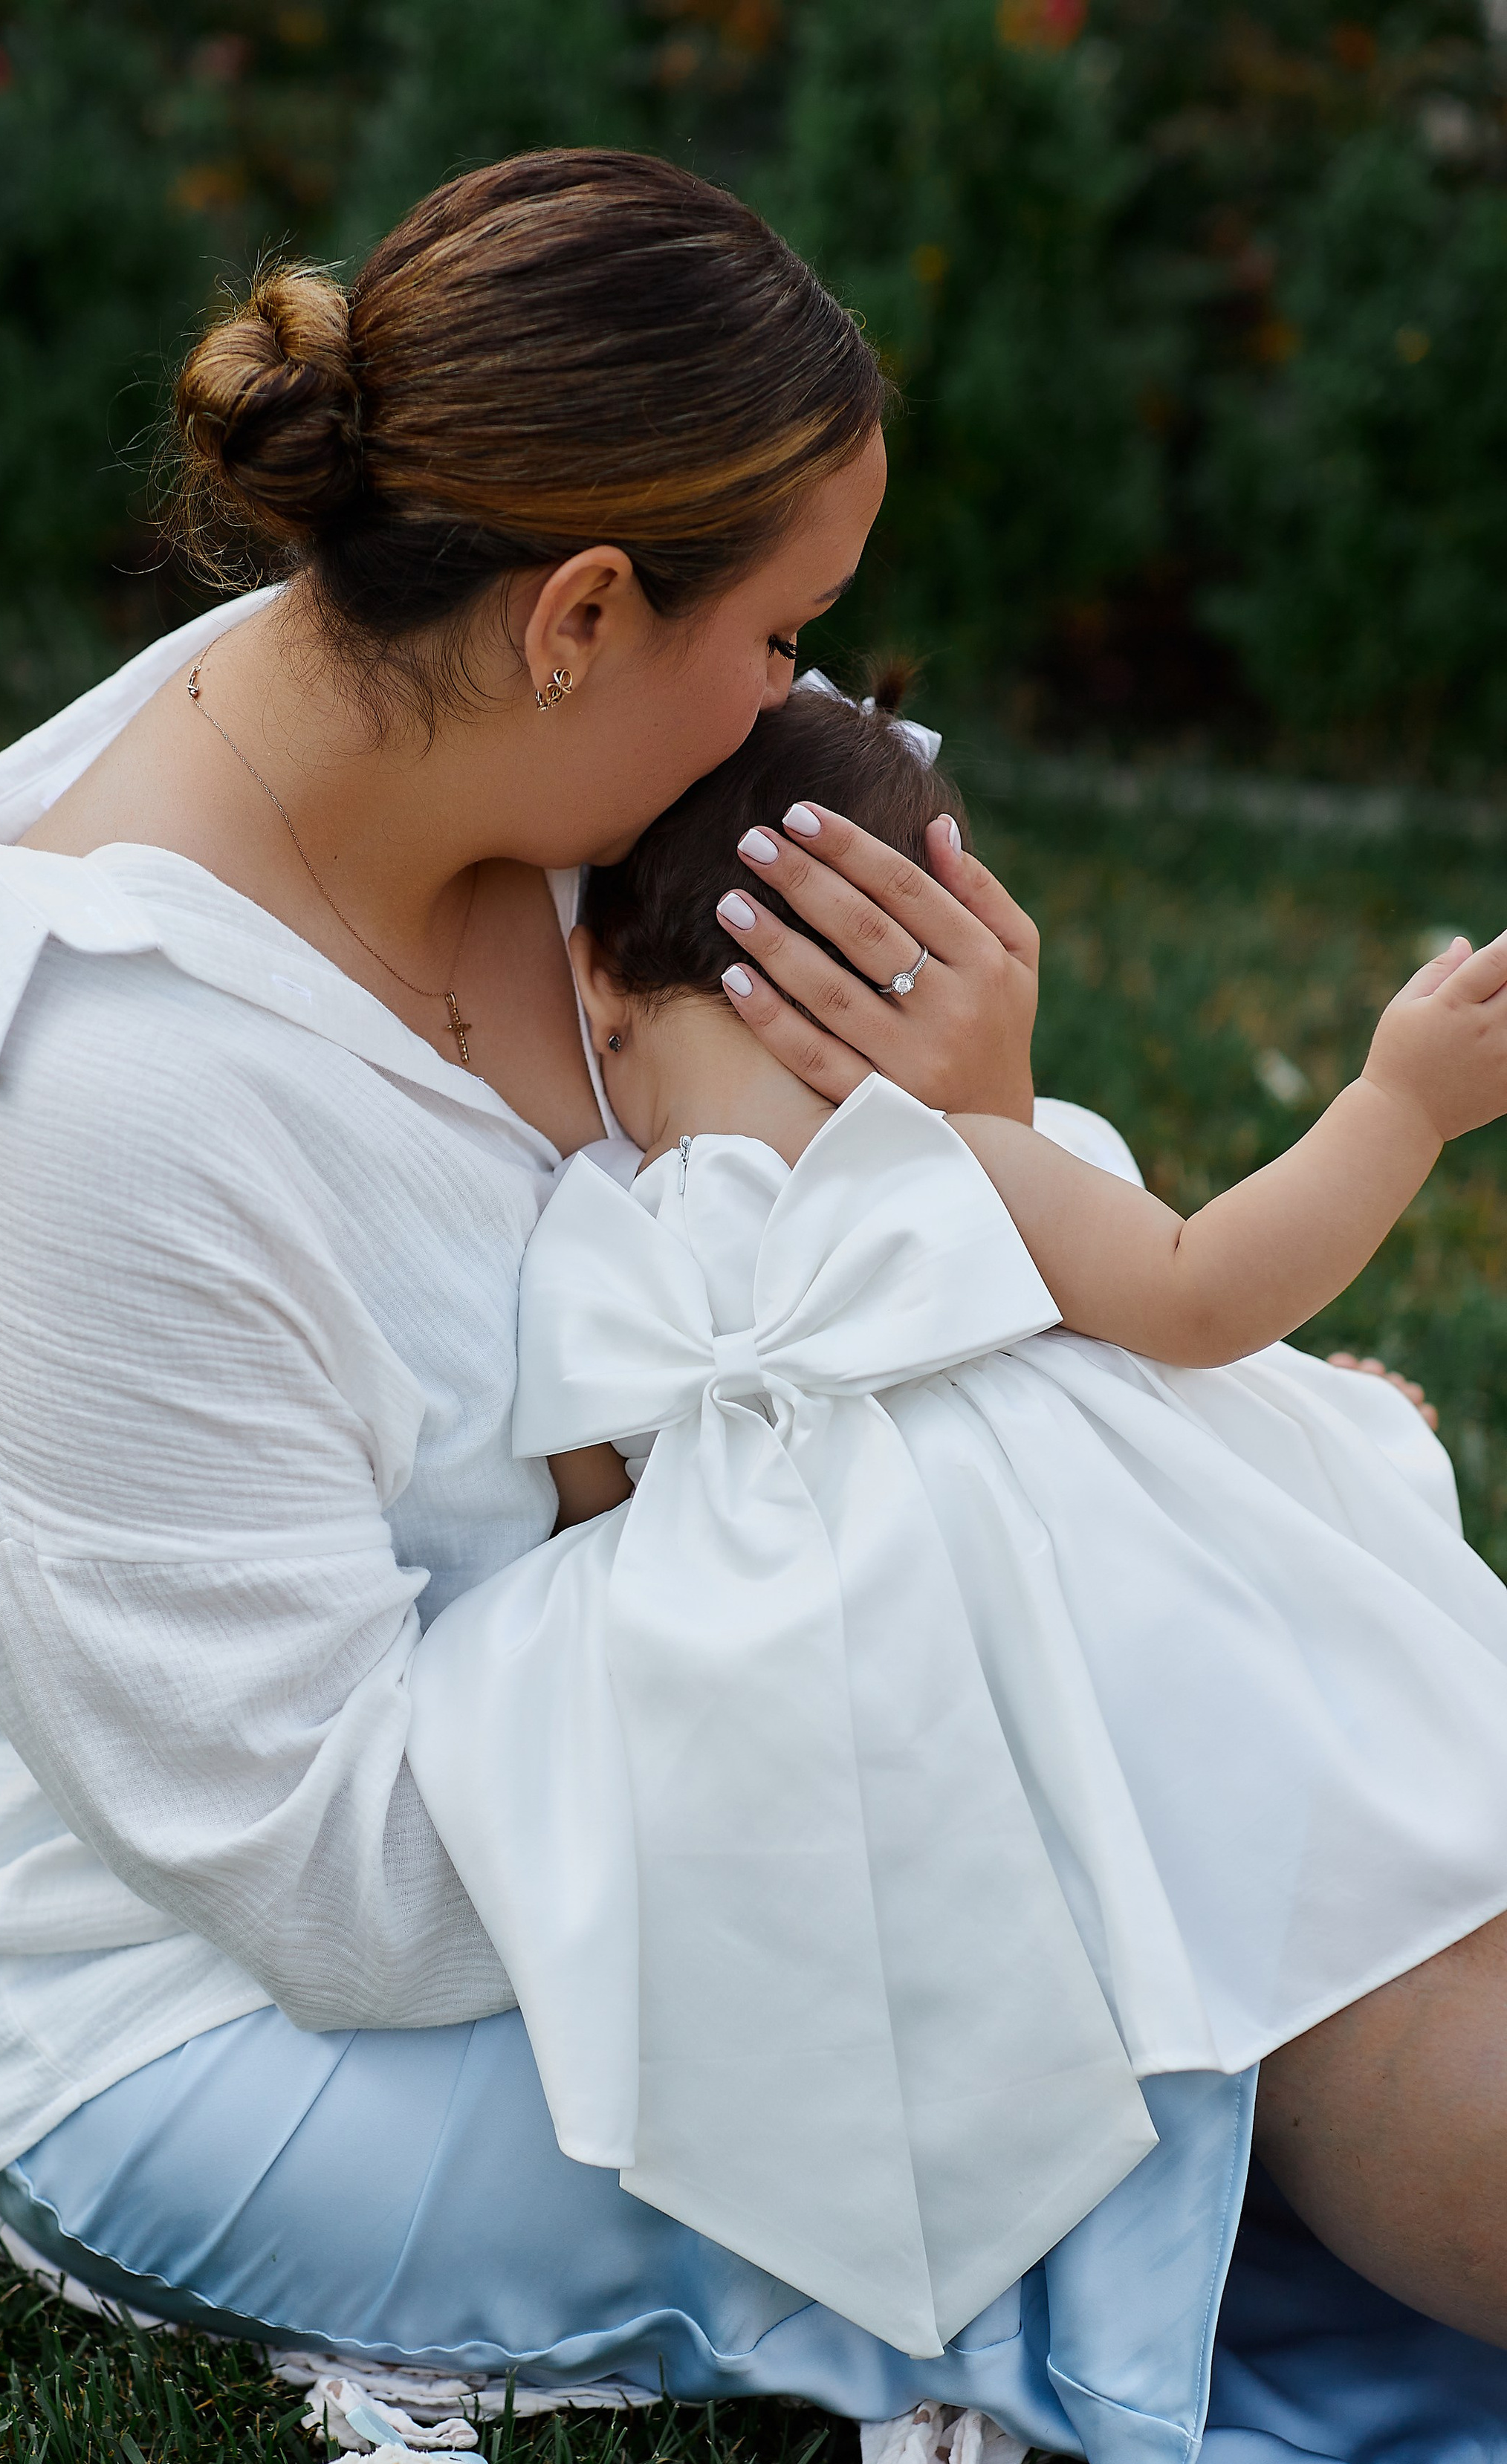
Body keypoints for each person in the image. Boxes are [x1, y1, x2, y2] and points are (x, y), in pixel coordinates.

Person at [0, 148, 1507, 2464]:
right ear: (582, 609)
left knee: (1295, 1758)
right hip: (244, 2000)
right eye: (789, 630)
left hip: (707, 1716)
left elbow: (852, 1261)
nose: (810, 702)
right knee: (1204, 1969)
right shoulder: (97, 1090)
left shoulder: (553, 763)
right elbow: (337, 1874)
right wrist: (962, 1575)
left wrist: (997, 1168)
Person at [406, 679, 1507, 2373]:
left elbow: (588, 1515)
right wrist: (1389, 1108)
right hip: (1152, 1658)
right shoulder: (951, 1156)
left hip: (1022, 1715)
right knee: (1383, 1966)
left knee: (1360, 2020)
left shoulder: (620, 1236)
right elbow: (1202, 1290)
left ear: (601, 992)